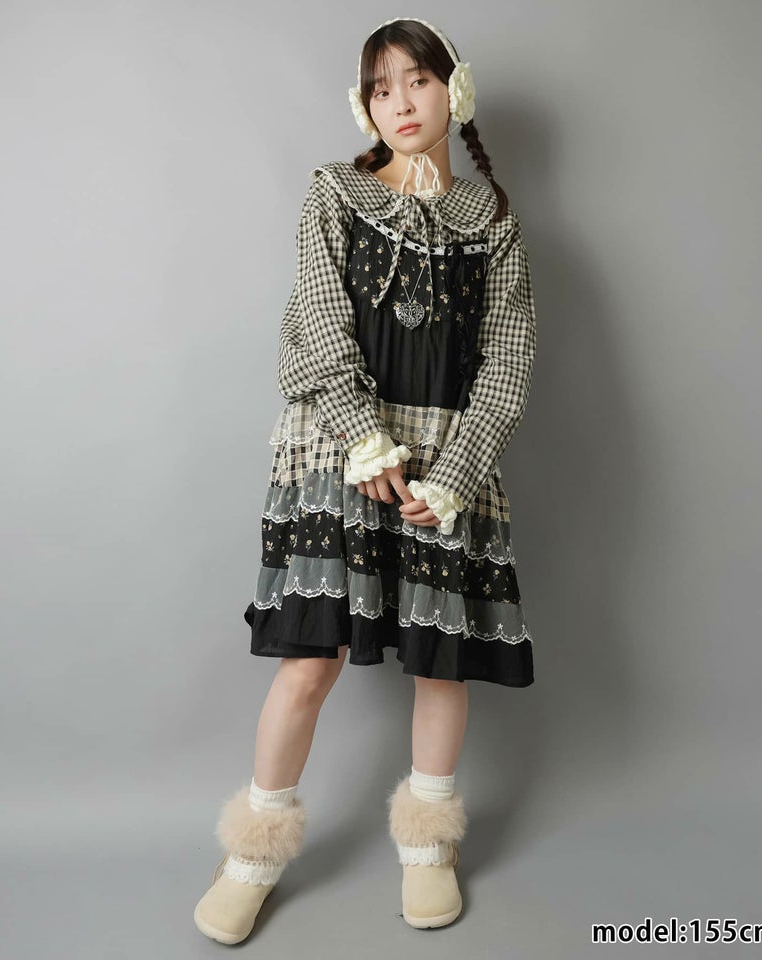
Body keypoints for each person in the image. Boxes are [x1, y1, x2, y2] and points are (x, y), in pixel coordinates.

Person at [194, 16, 537, 944]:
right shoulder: (334, 194)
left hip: (446, 461)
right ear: (365, 106)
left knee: (440, 661)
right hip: (340, 448)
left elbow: (508, 362)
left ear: (453, 90)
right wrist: (367, 442)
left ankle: (429, 846)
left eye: (417, 80)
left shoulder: (494, 225)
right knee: (312, 659)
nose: (402, 103)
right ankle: (253, 854)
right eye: (383, 88)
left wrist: (454, 475)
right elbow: (312, 326)